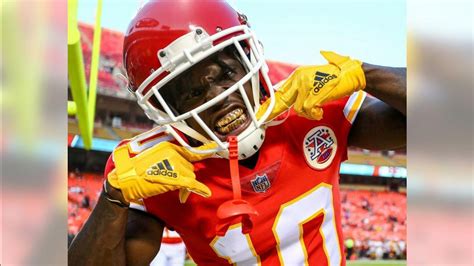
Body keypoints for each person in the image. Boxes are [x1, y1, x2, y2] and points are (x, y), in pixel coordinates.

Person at [68, 1, 406, 265]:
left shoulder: (309, 111)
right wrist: (113, 199)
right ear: (163, 108)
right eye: (191, 92)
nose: (219, 97)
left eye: (226, 73)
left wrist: (365, 74)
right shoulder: (155, 168)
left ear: (248, 59)